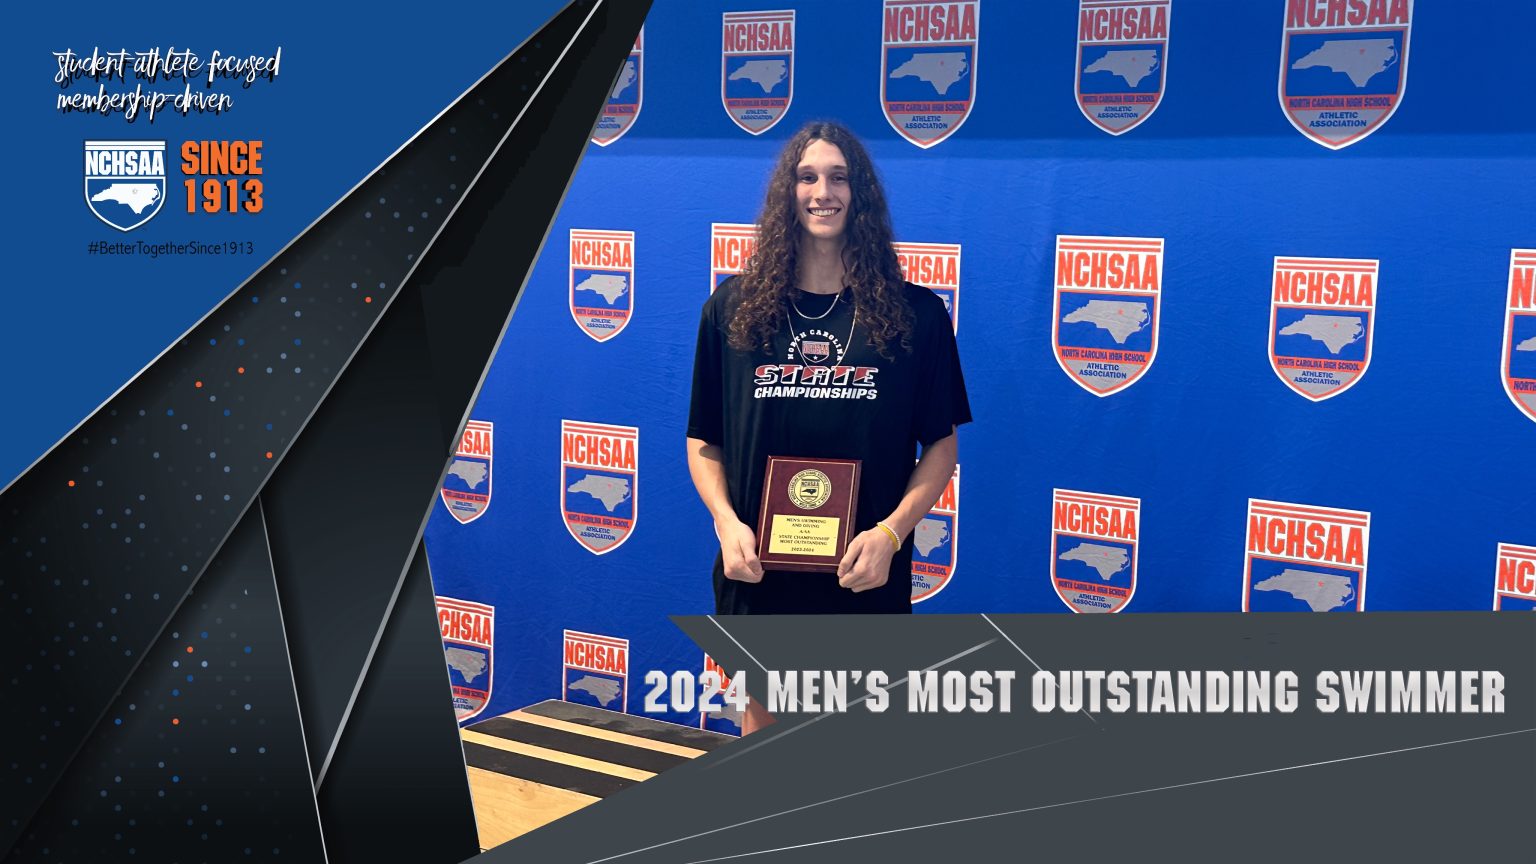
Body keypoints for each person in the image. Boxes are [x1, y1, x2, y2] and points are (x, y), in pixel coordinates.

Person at [687, 121, 970, 728]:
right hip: (758, 571)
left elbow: (941, 447)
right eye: (807, 176)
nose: (823, 192)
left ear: (860, 194)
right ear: (786, 193)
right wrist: (726, 523)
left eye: (839, 178)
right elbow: (704, 440)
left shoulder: (916, 316)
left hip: (862, 574)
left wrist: (891, 535)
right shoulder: (732, 310)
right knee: (762, 754)